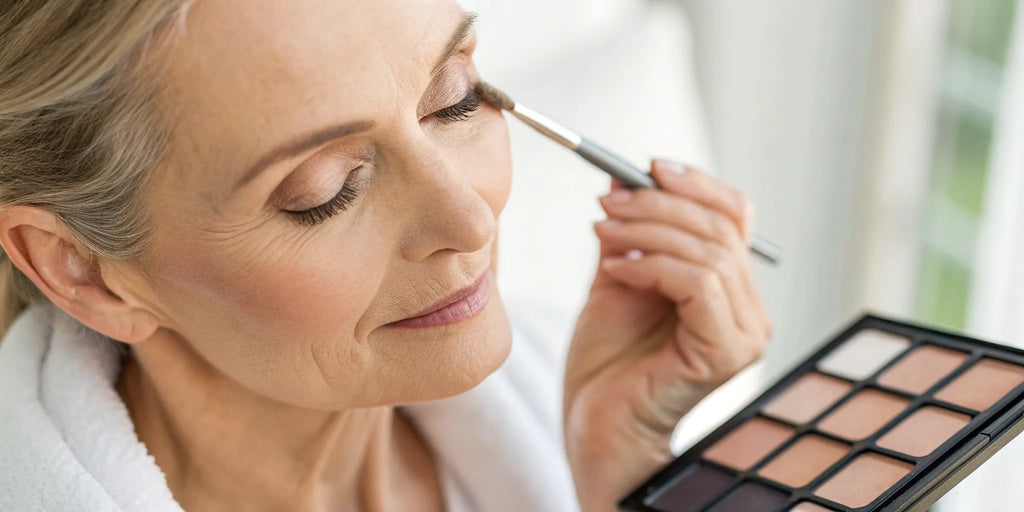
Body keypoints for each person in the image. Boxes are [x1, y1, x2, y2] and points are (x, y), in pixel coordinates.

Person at [0, 1, 770, 511]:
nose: (470, 219)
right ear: (85, 271)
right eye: (325, 191)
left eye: (455, 99)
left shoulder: (557, 394)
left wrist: (628, 474)